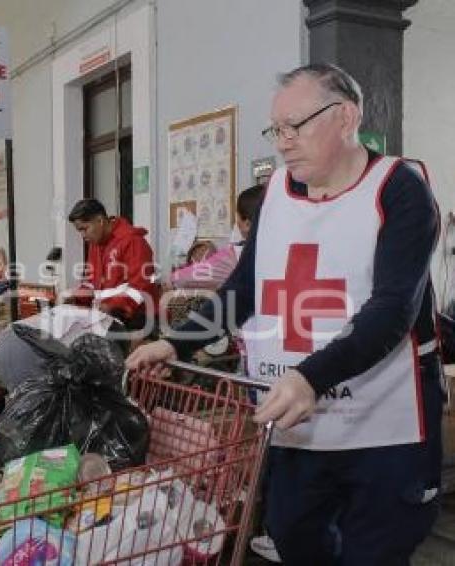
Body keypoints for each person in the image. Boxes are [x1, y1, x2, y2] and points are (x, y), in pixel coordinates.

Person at [127, 63, 443, 566]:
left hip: (385, 424)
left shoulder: (399, 190)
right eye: (276, 129)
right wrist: (177, 342)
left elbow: (392, 311)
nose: (283, 141)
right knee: (293, 534)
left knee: (376, 550)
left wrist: (309, 377)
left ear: (345, 116)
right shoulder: (275, 192)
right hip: (296, 420)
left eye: (295, 126)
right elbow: (245, 287)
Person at [65, 198, 159, 330]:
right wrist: (77, 298)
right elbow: (90, 281)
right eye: (79, 231)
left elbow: (140, 288)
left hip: (138, 318)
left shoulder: (133, 241)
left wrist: (112, 306)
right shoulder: (95, 244)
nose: (82, 235)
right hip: (107, 316)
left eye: (84, 229)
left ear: (100, 221)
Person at [169, 184, 265, 290]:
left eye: (237, 217)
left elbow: (179, 279)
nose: (236, 223)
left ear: (247, 224)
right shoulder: (282, 251)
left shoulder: (232, 258)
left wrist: (170, 279)